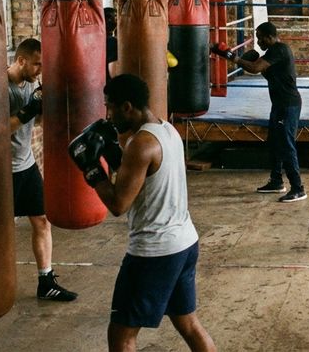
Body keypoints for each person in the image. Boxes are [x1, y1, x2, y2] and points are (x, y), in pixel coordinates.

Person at [70, 74, 215, 352]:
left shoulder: (140, 145)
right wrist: (114, 154)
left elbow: (118, 204)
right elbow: (144, 178)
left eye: (110, 107)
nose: (107, 115)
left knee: (121, 336)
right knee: (189, 324)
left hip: (154, 253)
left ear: (127, 106)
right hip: (184, 243)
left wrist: (91, 168)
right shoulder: (167, 130)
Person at [6, 38, 78, 302]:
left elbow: (35, 122)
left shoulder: (33, 85)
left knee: (42, 220)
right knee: (0, 231)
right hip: (2, 173)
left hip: (26, 165)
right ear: (21, 60)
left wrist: (50, 107)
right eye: (36, 64)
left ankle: (46, 281)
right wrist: (28, 110)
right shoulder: (1, 88)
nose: (39, 70)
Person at [213, 21, 306, 202]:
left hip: (288, 105)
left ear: (270, 37)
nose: (259, 42)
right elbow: (258, 68)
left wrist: (235, 58)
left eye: (261, 38)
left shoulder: (280, 49)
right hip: (279, 104)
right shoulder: (271, 53)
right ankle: (277, 181)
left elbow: (255, 68)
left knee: (286, 145)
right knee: (274, 142)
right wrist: (245, 59)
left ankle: (298, 188)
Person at [104, 7, 118, 81]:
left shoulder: (114, 40)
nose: (113, 21)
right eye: (108, 17)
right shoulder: (112, 42)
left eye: (115, 17)